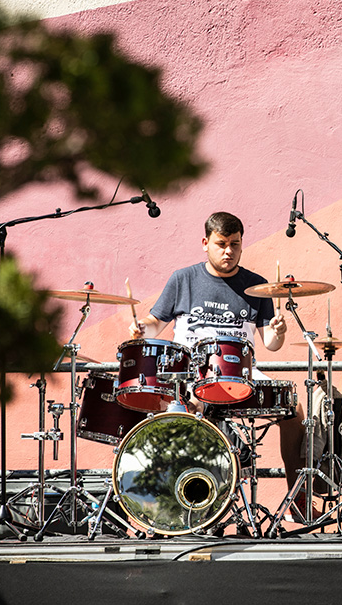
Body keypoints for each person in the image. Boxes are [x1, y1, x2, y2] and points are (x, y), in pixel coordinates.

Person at [128, 211, 309, 512]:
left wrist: (278, 331)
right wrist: (140, 329)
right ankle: (181, 504)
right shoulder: (183, 279)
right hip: (191, 376)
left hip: (242, 374)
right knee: (192, 407)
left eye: (235, 245)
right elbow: (154, 324)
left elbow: (271, 345)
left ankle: (297, 500)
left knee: (293, 409)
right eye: (221, 244)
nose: (228, 252)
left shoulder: (257, 286)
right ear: (205, 243)